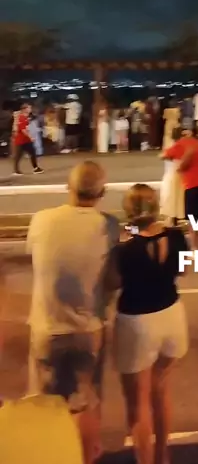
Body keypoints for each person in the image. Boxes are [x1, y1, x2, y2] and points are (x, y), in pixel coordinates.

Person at [26, 161, 119, 464]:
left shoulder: (42, 220)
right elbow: (113, 279)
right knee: (86, 402)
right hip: (88, 329)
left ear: (68, 187)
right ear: (102, 192)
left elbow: (36, 259)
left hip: (47, 326)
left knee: (44, 406)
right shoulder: (109, 225)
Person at [110, 184, 188, 464]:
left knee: (138, 402)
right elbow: (183, 270)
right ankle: (162, 454)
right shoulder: (177, 237)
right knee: (161, 391)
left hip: (137, 321)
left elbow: (114, 282)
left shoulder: (125, 249)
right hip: (171, 314)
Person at [163, 129, 198, 253]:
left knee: (193, 218)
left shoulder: (182, 144)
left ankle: (195, 247)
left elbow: (164, 155)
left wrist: (179, 164)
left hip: (192, 185)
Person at [160, 127, 184, 225]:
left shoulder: (174, 147)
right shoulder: (183, 146)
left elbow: (162, 156)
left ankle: (171, 218)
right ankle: (176, 218)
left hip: (172, 174)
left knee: (170, 196)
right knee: (178, 198)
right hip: (181, 174)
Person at [11, 104, 44, 177]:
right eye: (29, 108)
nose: (30, 109)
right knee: (18, 156)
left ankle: (36, 168)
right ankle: (16, 170)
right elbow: (23, 130)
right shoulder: (22, 118)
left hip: (25, 140)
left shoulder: (25, 117)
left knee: (32, 153)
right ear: (24, 109)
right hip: (21, 140)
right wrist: (30, 137)